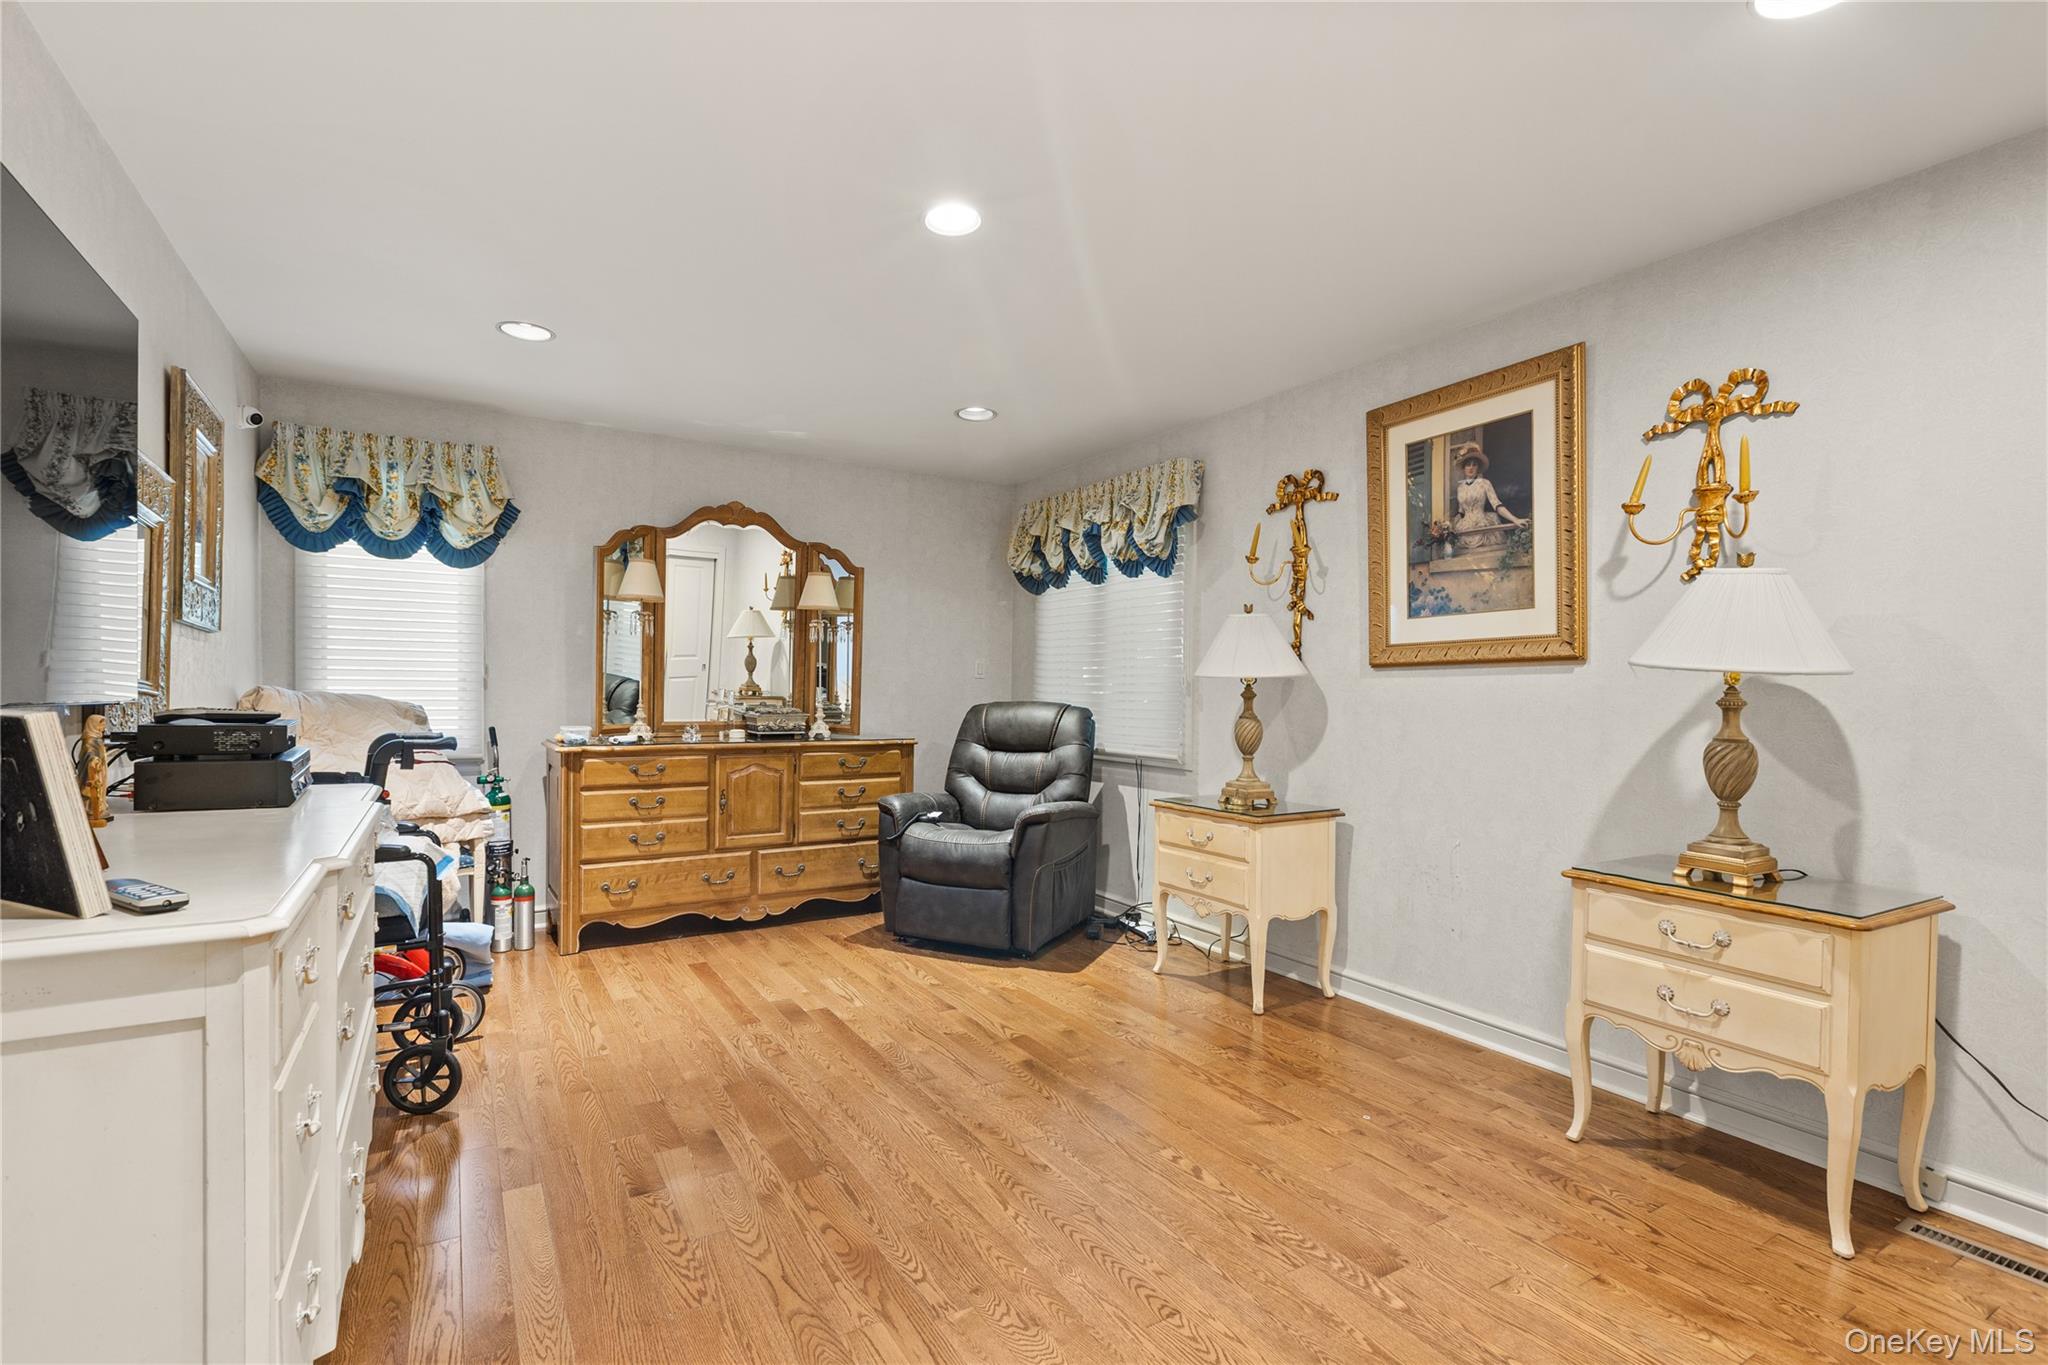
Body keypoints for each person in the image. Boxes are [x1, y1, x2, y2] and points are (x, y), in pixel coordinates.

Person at [1448, 443, 1525, 533]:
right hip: (1464, 527)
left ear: (1478, 467)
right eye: (1468, 465)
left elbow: (1497, 505)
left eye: (1474, 465)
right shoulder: (1460, 488)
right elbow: (1461, 512)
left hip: (1482, 525)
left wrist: (1515, 519)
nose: (1471, 468)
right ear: (1464, 468)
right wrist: (1449, 525)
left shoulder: (1485, 483)